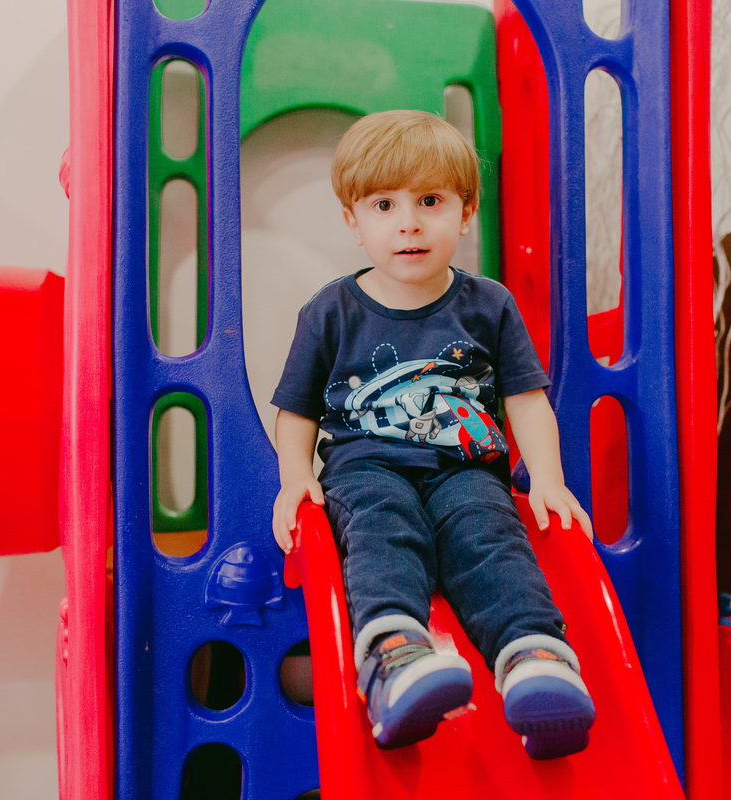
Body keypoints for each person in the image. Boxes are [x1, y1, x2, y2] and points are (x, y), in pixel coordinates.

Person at [270, 109, 595, 760]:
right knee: (381, 530)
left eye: (430, 201)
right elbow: (297, 408)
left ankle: (532, 657)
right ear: (352, 222)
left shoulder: (489, 305)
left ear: (465, 213)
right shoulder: (330, 311)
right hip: (368, 467)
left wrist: (549, 480)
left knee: (490, 535)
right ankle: (396, 659)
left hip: (468, 469)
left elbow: (527, 402)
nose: (409, 221)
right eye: (384, 204)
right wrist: (296, 477)